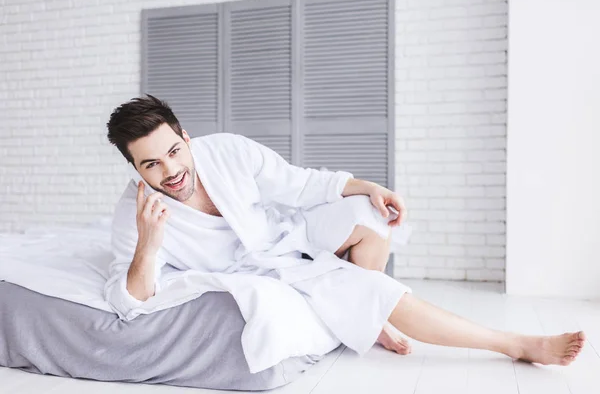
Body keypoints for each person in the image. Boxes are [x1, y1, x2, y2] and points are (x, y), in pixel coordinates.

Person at [105, 94, 584, 368]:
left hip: (285, 235)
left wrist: (368, 187)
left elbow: (299, 184)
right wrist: (149, 244)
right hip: (261, 269)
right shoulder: (135, 212)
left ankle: (364, 310)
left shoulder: (227, 150)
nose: (170, 171)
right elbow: (130, 298)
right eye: (151, 164)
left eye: (173, 151)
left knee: (370, 214)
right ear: (134, 169)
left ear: (185, 136)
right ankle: (516, 344)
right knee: (374, 289)